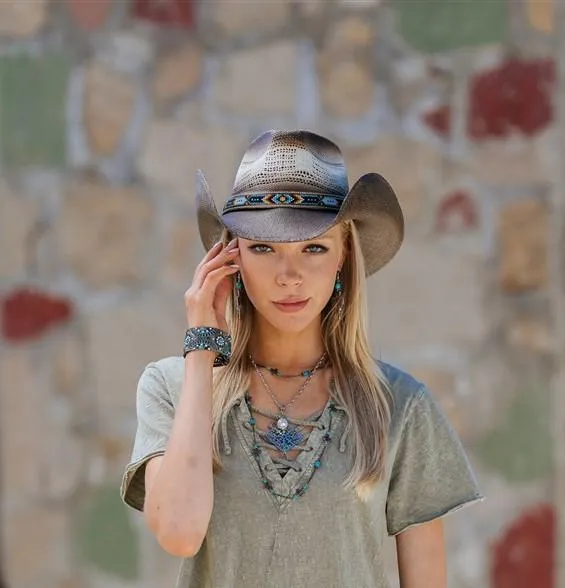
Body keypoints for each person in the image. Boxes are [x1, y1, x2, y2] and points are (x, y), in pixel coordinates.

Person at [121, 130, 483, 588]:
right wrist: (201, 351)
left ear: (343, 256)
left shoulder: (402, 406)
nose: (288, 276)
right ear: (230, 257)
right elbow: (178, 533)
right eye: (263, 248)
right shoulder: (170, 387)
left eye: (313, 247)